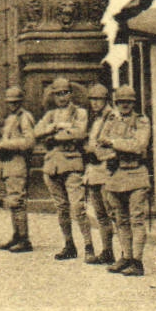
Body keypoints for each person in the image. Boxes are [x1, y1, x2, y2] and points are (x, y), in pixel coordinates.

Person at [33, 77, 91, 260]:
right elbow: (36, 132)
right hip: (52, 166)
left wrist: (55, 136)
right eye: (58, 94)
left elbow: (80, 133)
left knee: (78, 207)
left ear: (70, 93)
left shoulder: (79, 112)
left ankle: (89, 246)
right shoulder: (51, 115)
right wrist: (56, 127)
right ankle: (69, 245)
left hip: (72, 163)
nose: (61, 97)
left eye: (65, 93)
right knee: (61, 208)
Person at [98, 84, 153, 277]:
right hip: (115, 175)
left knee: (136, 219)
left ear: (133, 103)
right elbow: (99, 147)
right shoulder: (111, 120)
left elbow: (139, 145)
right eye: (121, 102)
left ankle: (137, 261)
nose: (124, 106)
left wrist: (113, 143)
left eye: (128, 102)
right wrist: (115, 149)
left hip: (136, 174)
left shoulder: (142, 121)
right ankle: (126, 256)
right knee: (120, 219)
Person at [0, 86, 36, 251]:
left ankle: (24, 239)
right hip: (8, 165)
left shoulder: (24, 117)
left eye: (15, 102)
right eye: (10, 102)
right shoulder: (11, 118)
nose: (12, 105)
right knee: (12, 201)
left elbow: (29, 142)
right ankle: (16, 236)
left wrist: (5, 144)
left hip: (18, 164)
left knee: (17, 201)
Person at [81, 82, 118, 265]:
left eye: (99, 99)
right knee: (100, 214)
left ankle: (126, 254)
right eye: (92, 99)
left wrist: (93, 149)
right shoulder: (95, 119)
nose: (95, 103)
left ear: (106, 100)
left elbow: (111, 144)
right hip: (94, 171)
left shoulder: (113, 117)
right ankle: (107, 251)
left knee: (113, 212)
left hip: (106, 169)